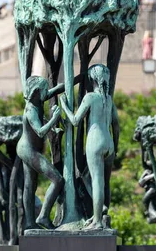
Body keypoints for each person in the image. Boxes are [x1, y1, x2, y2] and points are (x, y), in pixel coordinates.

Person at [59, 64, 117, 230]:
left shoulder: (90, 97)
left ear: (92, 79)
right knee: (88, 177)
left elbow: (76, 120)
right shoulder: (109, 99)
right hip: (109, 141)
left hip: (95, 140)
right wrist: (116, 146)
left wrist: (64, 106)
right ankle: (97, 214)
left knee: (97, 181)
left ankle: (98, 221)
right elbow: (116, 125)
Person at [17, 76, 66, 229]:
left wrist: (75, 79)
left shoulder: (39, 99)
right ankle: (43, 216)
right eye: (45, 90)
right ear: (37, 92)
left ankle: (30, 222)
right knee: (58, 180)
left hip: (27, 148)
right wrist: (54, 119)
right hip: (28, 150)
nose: (47, 92)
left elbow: (56, 89)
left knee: (30, 185)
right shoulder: (31, 109)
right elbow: (39, 132)